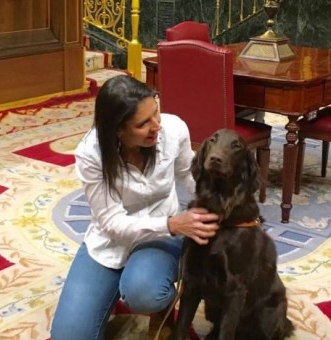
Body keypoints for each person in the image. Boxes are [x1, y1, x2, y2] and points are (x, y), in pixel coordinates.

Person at [50, 74, 220, 340]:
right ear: (118, 130)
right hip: (112, 241)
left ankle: (148, 288)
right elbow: (113, 223)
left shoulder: (174, 129)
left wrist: (222, 203)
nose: (157, 125)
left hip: (162, 238)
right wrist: (172, 224)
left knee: (145, 293)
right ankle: (119, 284)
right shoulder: (91, 153)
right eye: (143, 123)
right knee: (68, 336)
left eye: (156, 110)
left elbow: (189, 175)